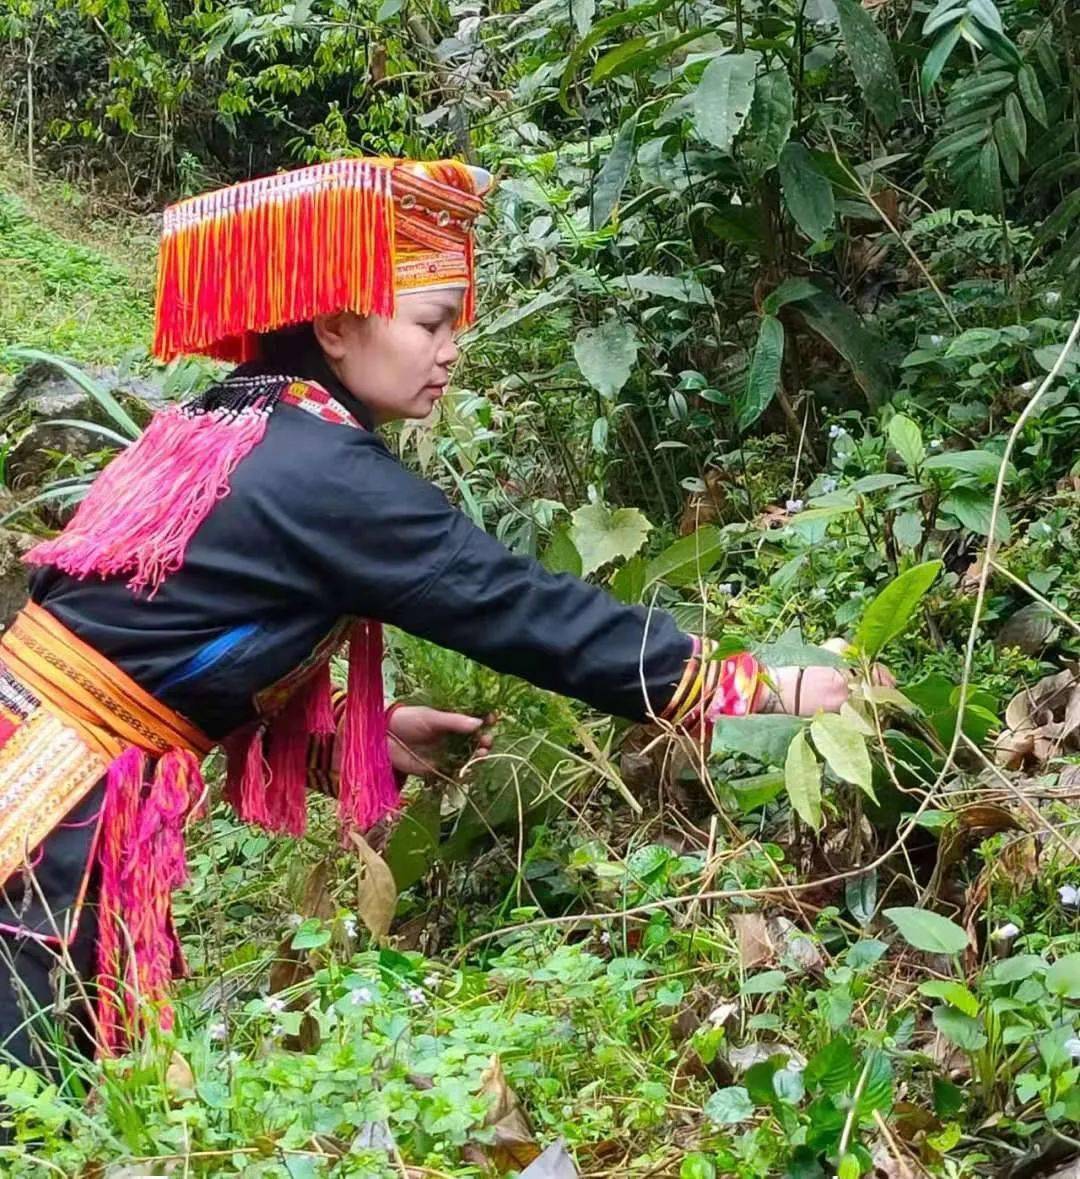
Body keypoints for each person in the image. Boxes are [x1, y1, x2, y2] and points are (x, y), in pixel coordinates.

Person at [0, 156, 866, 1068]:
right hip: (55, 805)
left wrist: (352, 733)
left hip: (38, 752)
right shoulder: (326, 473)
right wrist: (748, 687)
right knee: (37, 1082)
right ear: (334, 325)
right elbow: (516, 605)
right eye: (430, 321)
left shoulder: (225, 422)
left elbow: (160, 638)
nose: (452, 346)